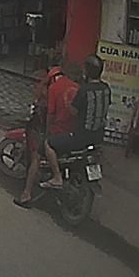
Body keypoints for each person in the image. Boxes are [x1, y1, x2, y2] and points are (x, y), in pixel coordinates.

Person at [42, 55, 110, 190]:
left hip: (81, 137)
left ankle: (57, 178)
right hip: (98, 137)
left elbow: (73, 111)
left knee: (48, 144)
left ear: (87, 71)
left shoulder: (84, 90)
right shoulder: (106, 88)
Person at [14, 63, 77, 208]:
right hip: (72, 133)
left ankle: (26, 194)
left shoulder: (54, 89)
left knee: (37, 156)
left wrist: (47, 133)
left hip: (58, 131)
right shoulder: (75, 86)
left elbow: (50, 115)